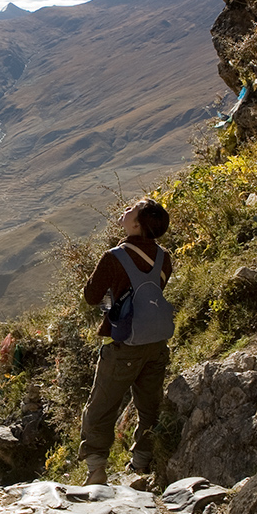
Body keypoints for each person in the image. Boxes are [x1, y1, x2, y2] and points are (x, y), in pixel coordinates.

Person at [78, 197, 173, 485]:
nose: (126, 209)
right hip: (156, 344)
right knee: (149, 406)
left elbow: (92, 297)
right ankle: (141, 464)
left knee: (101, 408)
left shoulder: (114, 257)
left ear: (137, 224)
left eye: (132, 208)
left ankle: (96, 471)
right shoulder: (164, 257)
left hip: (123, 346)